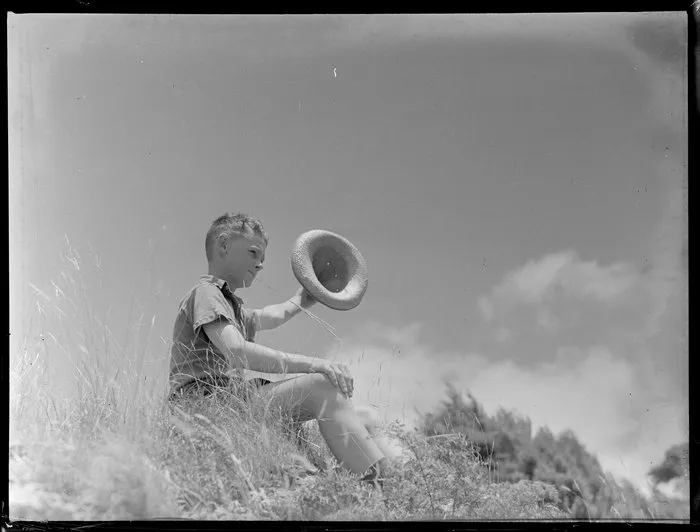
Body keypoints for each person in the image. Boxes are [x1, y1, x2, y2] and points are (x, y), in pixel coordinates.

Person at [168, 212, 398, 484]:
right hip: (209, 409)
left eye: (262, 257)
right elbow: (237, 351)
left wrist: (306, 295)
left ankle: (404, 485)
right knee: (322, 386)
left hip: (237, 403)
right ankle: (377, 492)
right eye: (253, 253)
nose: (261, 263)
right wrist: (316, 364)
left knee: (367, 418)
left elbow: (274, 315)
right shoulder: (207, 293)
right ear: (223, 245)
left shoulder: (233, 307)